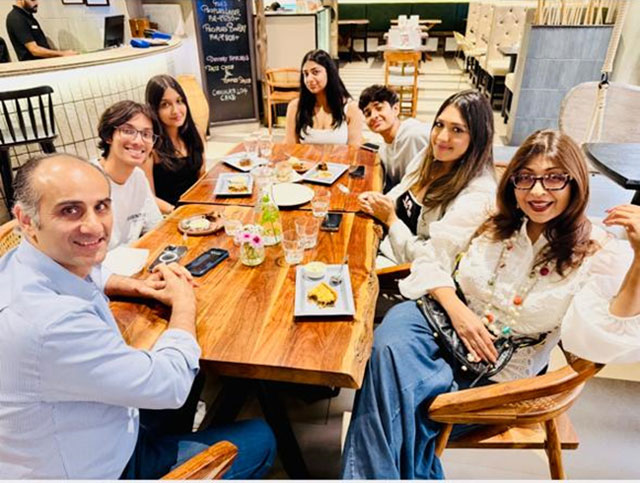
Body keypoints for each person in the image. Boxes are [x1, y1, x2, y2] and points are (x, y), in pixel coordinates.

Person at [341, 130, 640, 479]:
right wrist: (459, 312)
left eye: (553, 178)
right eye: (525, 177)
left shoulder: (596, 252)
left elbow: (603, 337)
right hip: (436, 324)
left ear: (576, 184)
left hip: (496, 372)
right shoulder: (488, 217)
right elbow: (430, 258)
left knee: (392, 402)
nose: (537, 191)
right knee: (389, 348)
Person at [0, 153, 276, 478]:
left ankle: (178, 434)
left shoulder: (26, 259)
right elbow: (171, 384)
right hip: (102, 467)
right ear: (26, 220)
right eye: (70, 210)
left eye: (101, 206)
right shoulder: (50, 324)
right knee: (261, 437)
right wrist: (183, 304)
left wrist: (141, 287)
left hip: (91, 420)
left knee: (194, 371)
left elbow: (95, 272)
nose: (94, 225)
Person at [359, 89, 497, 267]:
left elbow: (432, 259)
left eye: (457, 130)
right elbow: (403, 186)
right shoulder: (433, 156)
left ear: (478, 137)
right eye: (439, 124)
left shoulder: (477, 195)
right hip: (383, 243)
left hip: (405, 271)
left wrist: (391, 220)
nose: (441, 137)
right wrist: (379, 201)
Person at [96, 100, 163, 250]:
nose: (138, 141)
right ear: (108, 136)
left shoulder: (138, 177)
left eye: (146, 134)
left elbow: (155, 228)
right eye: (128, 131)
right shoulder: (88, 180)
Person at [144, 75, 206, 213]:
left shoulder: (195, 133)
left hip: (199, 208)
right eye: (165, 105)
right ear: (154, 110)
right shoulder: (150, 147)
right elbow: (148, 197)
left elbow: (202, 177)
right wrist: (177, 212)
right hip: (170, 214)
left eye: (179, 101)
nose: (176, 110)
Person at [358, 84, 430, 191]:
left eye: (379, 108)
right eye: (368, 113)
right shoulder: (383, 149)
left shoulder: (414, 134)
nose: (373, 116)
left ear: (395, 109)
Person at [284, 49, 363, 145]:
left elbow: (354, 150)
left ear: (329, 73)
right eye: (306, 74)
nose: (309, 79)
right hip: (305, 156)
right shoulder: (295, 107)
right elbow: (290, 147)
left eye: (315, 72)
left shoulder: (351, 108)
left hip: (340, 156)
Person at [6, 0, 77, 61]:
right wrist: (63, 54)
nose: (37, 3)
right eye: (33, 0)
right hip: (35, 67)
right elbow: (34, 50)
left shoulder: (28, 16)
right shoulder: (16, 18)